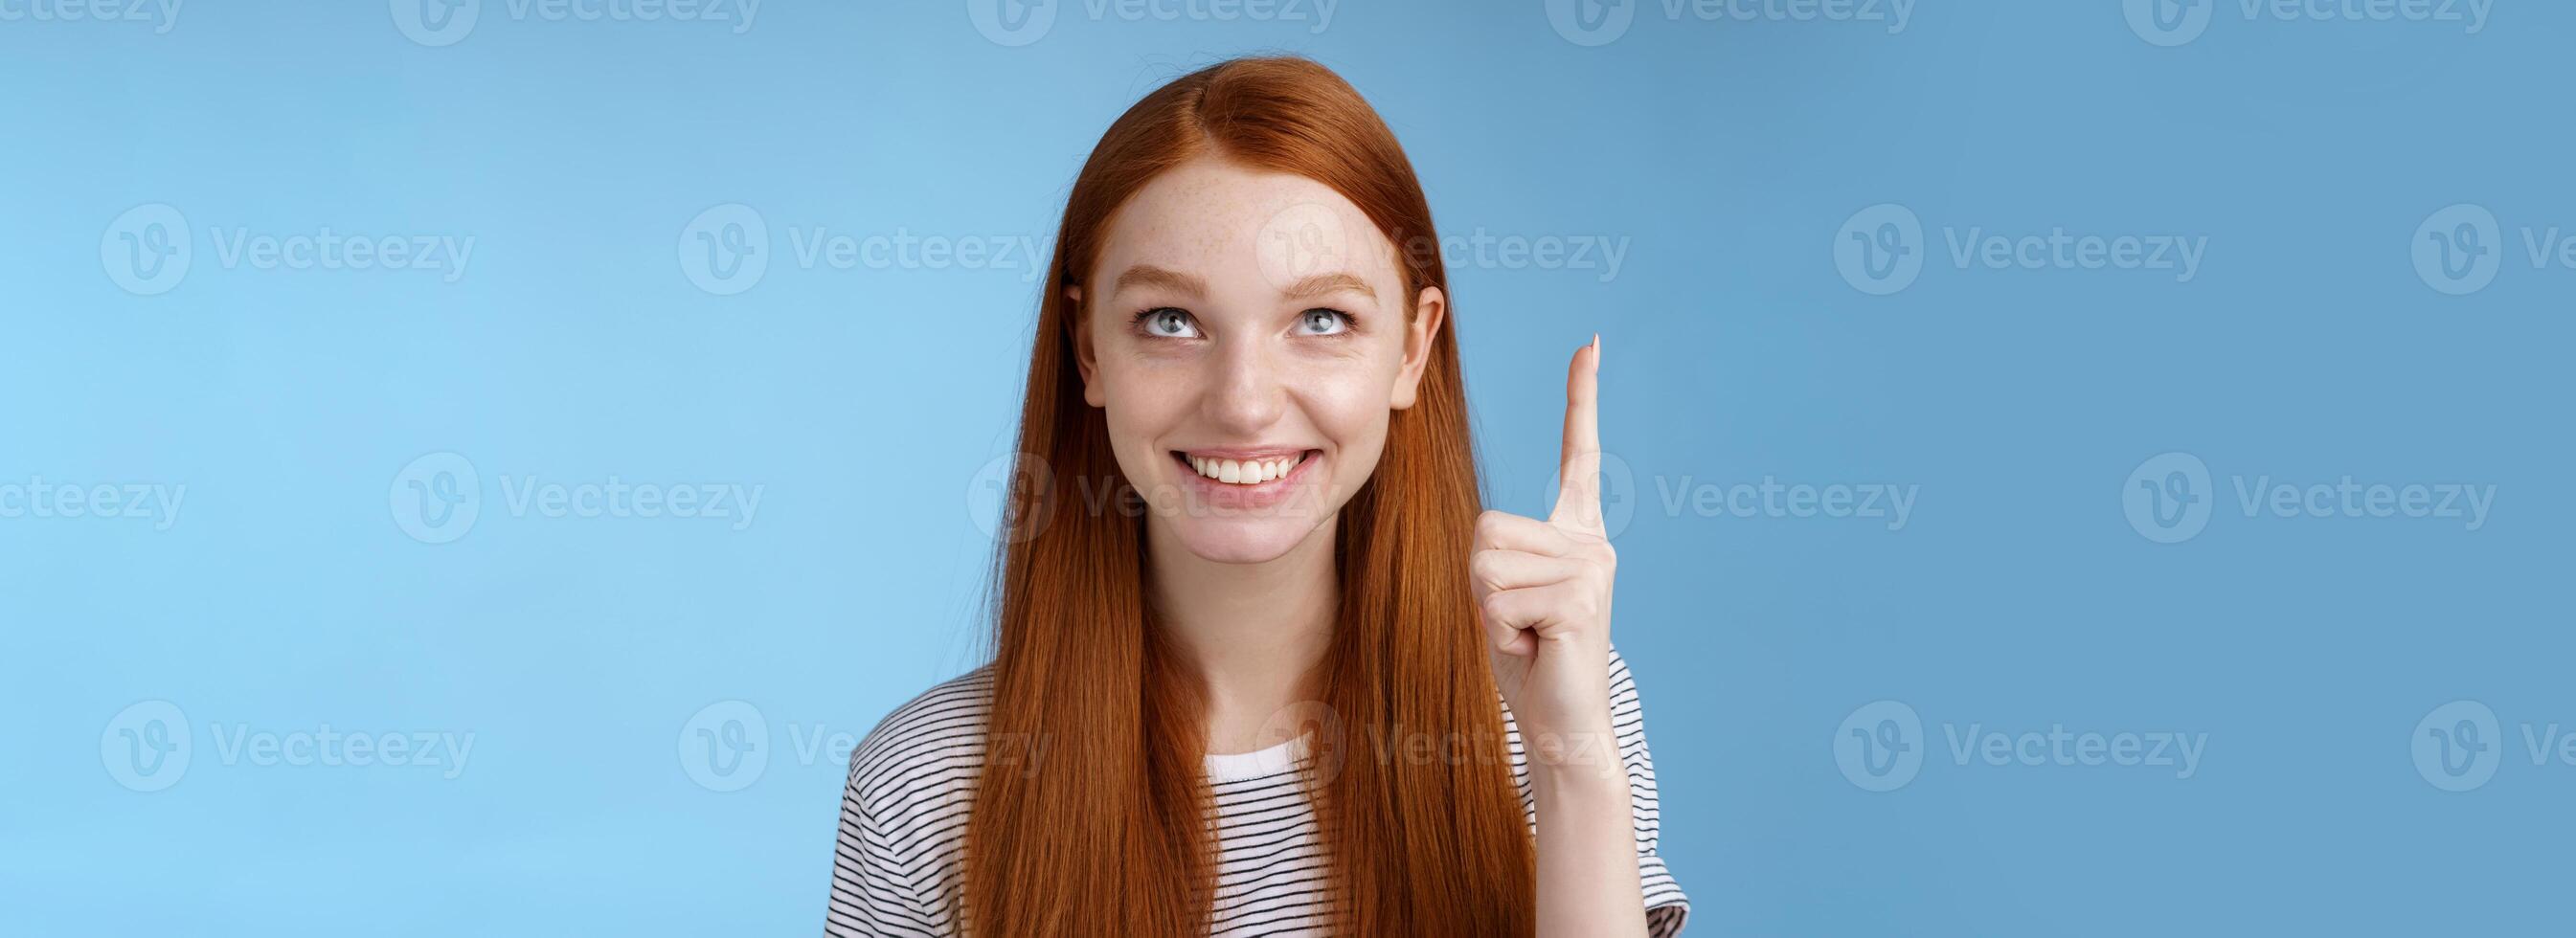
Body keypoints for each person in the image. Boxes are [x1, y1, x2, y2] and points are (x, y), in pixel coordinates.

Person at [824, 56, 1687, 938]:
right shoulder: (924, 787)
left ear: (1411, 351)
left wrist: (1572, 763)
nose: (1242, 403)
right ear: (1089, 351)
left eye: (1321, 321)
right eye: (1170, 321)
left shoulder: (1548, 707)